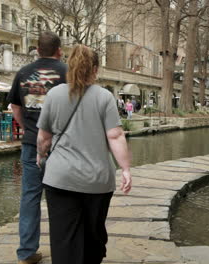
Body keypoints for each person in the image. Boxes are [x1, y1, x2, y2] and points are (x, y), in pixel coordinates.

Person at [36, 44, 132, 264]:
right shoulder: (105, 97)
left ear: (69, 67)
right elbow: (115, 136)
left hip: (60, 179)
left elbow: (44, 138)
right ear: (96, 69)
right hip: (97, 181)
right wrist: (125, 169)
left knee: (63, 237)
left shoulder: (54, 95)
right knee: (93, 235)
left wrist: (40, 157)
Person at [7, 31, 67, 264]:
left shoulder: (22, 73)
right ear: (59, 50)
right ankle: (62, 251)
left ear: (37, 50)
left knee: (30, 197)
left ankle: (27, 252)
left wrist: (28, 129)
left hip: (31, 143)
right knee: (61, 198)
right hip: (61, 145)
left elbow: (15, 107)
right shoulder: (66, 72)